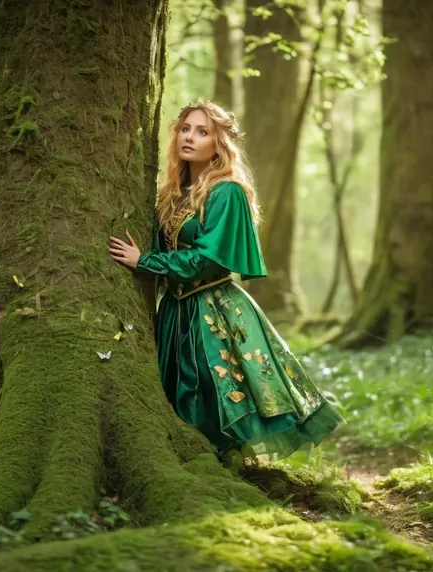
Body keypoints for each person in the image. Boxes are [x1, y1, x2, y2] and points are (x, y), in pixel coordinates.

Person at [109, 100, 344, 466]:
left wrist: (145, 261)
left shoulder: (226, 192)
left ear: (219, 144)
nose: (190, 137)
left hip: (212, 310)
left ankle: (217, 467)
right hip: (173, 311)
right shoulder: (170, 193)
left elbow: (208, 259)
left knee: (214, 390)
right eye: (186, 129)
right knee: (177, 392)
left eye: (203, 132)